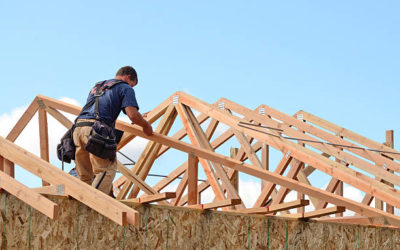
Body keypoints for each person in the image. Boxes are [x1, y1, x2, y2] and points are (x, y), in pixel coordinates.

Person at [73, 66, 153, 195]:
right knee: (106, 170)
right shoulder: (125, 88)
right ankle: (95, 204)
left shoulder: (98, 86)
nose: (131, 88)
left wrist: (138, 118)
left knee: (85, 174)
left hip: (78, 128)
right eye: (132, 85)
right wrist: (146, 126)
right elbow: (132, 114)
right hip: (96, 130)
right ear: (128, 77)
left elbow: (102, 108)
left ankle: (83, 205)